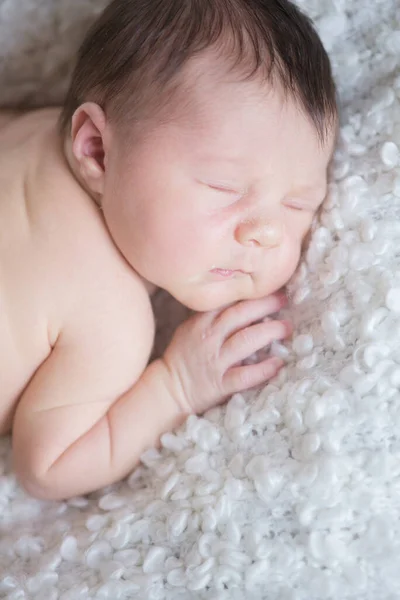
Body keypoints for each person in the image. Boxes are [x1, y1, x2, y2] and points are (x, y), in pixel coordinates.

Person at [0, 0, 337, 500]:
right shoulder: (108, 313)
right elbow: (47, 467)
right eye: (225, 187)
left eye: (298, 204)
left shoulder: (30, 128)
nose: (267, 233)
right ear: (95, 149)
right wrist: (176, 385)